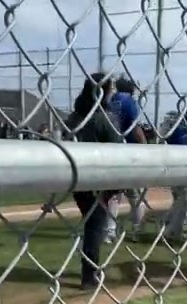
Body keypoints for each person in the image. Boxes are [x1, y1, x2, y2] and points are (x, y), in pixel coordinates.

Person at [66, 73, 122, 289]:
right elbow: (117, 147)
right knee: (95, 226)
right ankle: (89, 275)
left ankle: (91, 270)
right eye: (110, 88)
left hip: (78, 178)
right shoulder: (104, 117)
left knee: (93, 223)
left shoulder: (76, 115)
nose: (113, 92)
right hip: (98, 180)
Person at [105, 77, 148, 243]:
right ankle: (137, 230)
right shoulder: (128, 101)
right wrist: (145, 145)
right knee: (135, 195)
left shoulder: (111, 100)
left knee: (113, 196)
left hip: (112, 151)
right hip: (130, 153)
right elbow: (135, 127)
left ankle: (109, 232)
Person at [161, 109, 187, 240]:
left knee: (180, 199)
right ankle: (172, 230)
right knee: (185, 202)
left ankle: (171, 222)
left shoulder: (176, 129)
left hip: (175, 168)